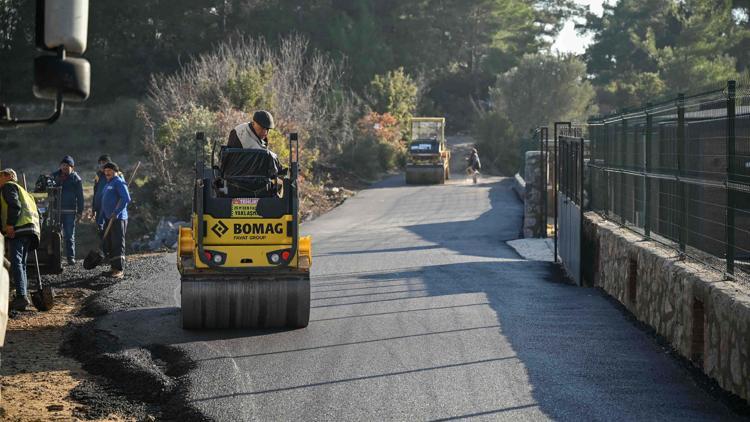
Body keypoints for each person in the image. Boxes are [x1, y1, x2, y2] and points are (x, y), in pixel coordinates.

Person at [0, 169, 41, 311]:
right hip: (30, 230)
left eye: (0, 175)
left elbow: (15, 206)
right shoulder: (25, 192)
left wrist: (10, 224)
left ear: (8, 176)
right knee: (21, 264)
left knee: (17, 262)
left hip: (19, 228)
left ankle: (21, 296)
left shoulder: (8, 186)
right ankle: (22, 295)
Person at [99, 162, 130, 278]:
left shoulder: (118, 182)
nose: (107, 172)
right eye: (105, 171)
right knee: (111, 244)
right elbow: (104, 201)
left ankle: (119, 269)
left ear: (115, 171)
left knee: (118, 243)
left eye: (109, 170)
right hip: (108, 218)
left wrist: (116, 212)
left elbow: (126, 198)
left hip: (118, 218)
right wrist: (101, 218)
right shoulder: (108, 183)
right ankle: (113, 267)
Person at [51, 156, 84, 265]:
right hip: (56, 211)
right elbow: (48, 192)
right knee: (56, 234)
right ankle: (57, 257)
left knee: (69, 235)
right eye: (63, 165)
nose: (64, 167)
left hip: (70, 211)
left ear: (72, 167)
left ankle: (70, 257)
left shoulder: (76, 179)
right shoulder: (54, 176)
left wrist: (80, 211)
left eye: (67, 165)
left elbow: (80, 197)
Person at [92, 154, 111, 230]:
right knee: (100, 230)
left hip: (110, 209)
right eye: (100, 163)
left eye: (104, 163)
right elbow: (95, 191)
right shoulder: (98, 175)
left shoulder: (115, 175)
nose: (102, 165)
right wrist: (94, 208)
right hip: (99, 208)